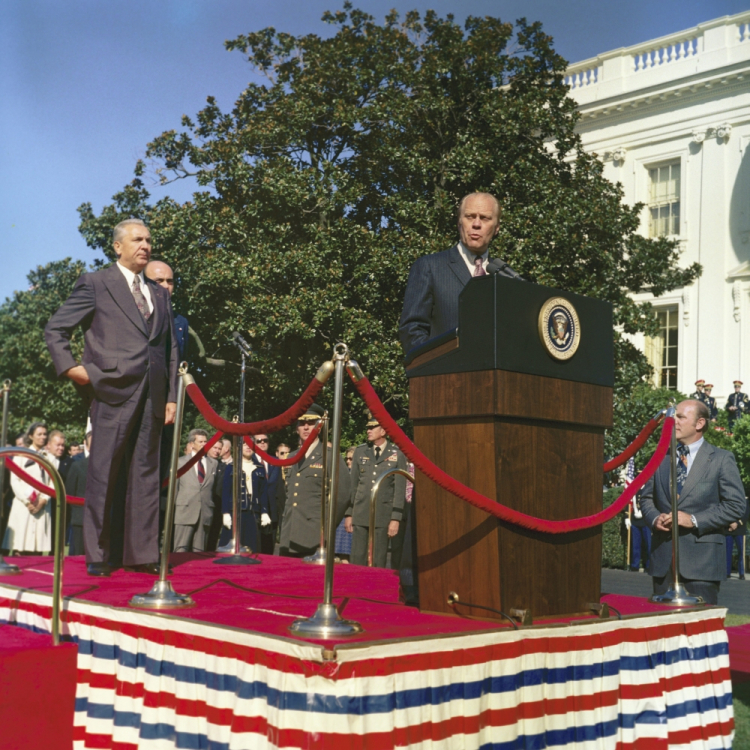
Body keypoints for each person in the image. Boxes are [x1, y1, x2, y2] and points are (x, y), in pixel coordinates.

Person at [44, 218, 179, 576]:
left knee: (146, 475)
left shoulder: (160, 293)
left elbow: (170, 348)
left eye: (149, 239)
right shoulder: (96, 283)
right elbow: (56, 329)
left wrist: (172, 397)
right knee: (103, 473)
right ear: (117, 247)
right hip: (110, 390)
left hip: (153, 394)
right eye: (137, 239)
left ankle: (142, 554)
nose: (145, 245)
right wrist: (72, 369)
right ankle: (99, 555)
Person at [640, 400, 747, 604]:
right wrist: (655, 519)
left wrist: (695, 520)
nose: (673, 422)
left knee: (700, 631)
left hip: (702, 565)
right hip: (663, 563)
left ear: (699, 424)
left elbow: (735, 506)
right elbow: (646, 498)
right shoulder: (660, 456)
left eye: (680, 417)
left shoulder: (722, 459)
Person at [399, 192, 509, 355]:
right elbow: (412, 331)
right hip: (446, 376)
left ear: (496, 228)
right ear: (459, 223)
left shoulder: (505, 277)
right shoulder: (430, 267)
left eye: (485, 218)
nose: (476, 224)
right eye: (470, 217)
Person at [279, 404, 351, 558]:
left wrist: (327, 525)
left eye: (310, 423)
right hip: (289, 533)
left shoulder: (329, 455)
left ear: (319, 427)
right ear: (296, 428)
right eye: (301, 423)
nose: (306, 427)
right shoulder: (291, 457)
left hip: (314, 534)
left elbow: (342, 495)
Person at [345, 414, 408, 568]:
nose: (368, 430)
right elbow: (353, 486)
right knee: (357, 558)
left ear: (383, 431)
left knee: (378, 560)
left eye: (373, 427)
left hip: (383, 515)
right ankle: (355, 590)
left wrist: (395, 518)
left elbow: (399, 489)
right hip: (361, 512)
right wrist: (349, 513)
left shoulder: (397, 454)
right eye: (368, 427)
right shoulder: (361, 452)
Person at [2, 422, 52, 554]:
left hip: (42, 507)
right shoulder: (20, 456)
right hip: (24, 506)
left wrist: (43, 500)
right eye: (39, 434)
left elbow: (53, 483)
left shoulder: (49, 457)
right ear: (30, 436)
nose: (43, 437)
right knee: (21, 545)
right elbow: (15, 481)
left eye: (45, 434)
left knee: (37, 547)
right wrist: (27, 501)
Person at [173, 429, 219, 552]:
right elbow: (174, 489)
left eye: (206, 441)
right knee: (180, 550)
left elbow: (213, 489)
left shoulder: (213, 463)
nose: (204, 444)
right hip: (185, 511)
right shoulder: (179, 462)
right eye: (200, 441)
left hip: (205, 512)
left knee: (199, 553)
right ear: (192, 444)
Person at [219, 440, 262, 552]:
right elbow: (226, 491)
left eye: (251, 445)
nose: (248, 447)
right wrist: (225, 513)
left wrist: (265, 512)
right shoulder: (231, 467)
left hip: (252, 511)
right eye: (244, 444)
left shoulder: (259, 467)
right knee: (230, 549)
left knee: (251, 548)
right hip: (234, 511)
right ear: (239, 448)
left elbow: (263, 492)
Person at [144, 259, 189, 361]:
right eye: (158, 281)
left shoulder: (181, 322)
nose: (166, 286)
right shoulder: (128, 316)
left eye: (170, 282)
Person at [249, 434, 281, 555]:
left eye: (265, 440)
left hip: (272, 509)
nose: (262, 443)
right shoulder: (249, 460)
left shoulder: (275, 461)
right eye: (259, 441)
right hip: (255, 509)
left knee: (269, 548)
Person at [66, 432, 92, 556]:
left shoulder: (108, 463)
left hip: (101, 520)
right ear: (85, 444)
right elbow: (70, 491)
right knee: (78, 554)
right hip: (80, 517)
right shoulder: (77, 464)